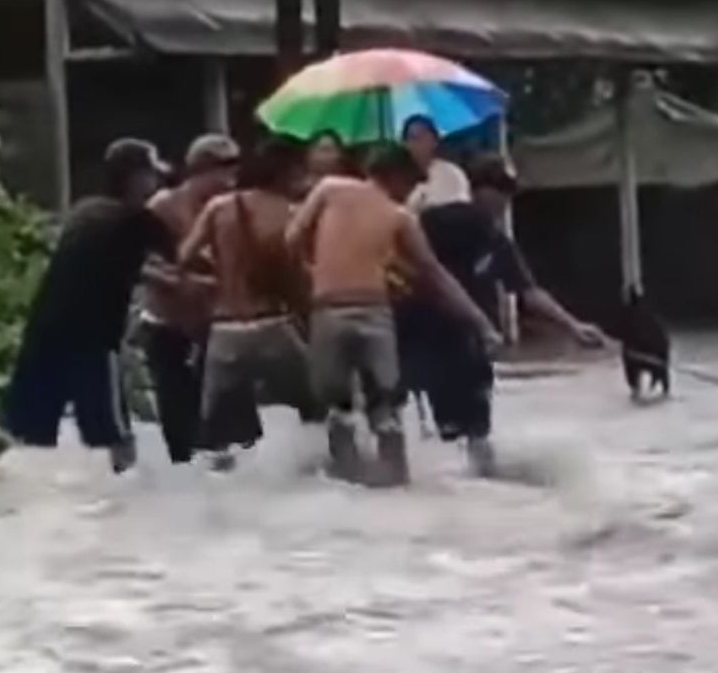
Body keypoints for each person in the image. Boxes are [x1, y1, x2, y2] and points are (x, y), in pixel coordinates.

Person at [0, 139, 174, 489]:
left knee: (12, 427)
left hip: (44, 331)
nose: (157, 184)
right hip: (91, 340)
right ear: (135, 178)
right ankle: (138, 515)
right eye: (152, 175)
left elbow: (113, 265)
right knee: (117, 436)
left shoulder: (84, 212)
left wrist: (159, 277)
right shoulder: (138, 221)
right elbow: (184, 259)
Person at [286, 144, 501, 487]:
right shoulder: (400, 217)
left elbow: (292, 238)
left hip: (328, 309)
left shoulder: (328, 189)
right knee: (385, 408)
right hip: (374, 313)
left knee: (337, 407)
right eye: (409, 185)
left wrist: (314, 273)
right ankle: (396, 484)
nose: (409, 194)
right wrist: (482, 324)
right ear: (396, 177)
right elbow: (436, 276)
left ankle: (345, 481)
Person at [398, 153, 605, 475]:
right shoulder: (438, 222)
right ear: (480, 190)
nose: (506, 201)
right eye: (501, 191)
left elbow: (526, 290)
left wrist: (573, 326)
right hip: (430, 337)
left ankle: (474, 493)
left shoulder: (493, 237)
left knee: (466, 428)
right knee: (457, 428)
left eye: (509, 192)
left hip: (468, 344)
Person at [177, 140, 322, 472]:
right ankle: (318, 477)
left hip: (225, 333)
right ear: (285, 175)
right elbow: (300, 277)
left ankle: (216, 497)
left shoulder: (218, 208)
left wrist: (221, 272)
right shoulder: (288, 213)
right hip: (273, 326)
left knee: (212, 432)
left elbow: (184, 258)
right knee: (314, 407)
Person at [139, 134, 239, 465]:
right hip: (168, 324)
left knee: (223, 424)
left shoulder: (231, 209)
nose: (228, 181)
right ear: (199, 172)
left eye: (232, 172)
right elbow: (137, 261)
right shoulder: (164, 206)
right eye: (220, 172)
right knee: (178, 419)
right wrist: (182, 282)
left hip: (215, 326)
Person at [402, 116, 471, 212]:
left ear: (435, 141)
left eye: (421, 137)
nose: (416, 143)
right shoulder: (408, 178)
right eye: (411, 138)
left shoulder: (448, 173)